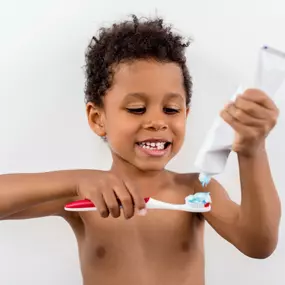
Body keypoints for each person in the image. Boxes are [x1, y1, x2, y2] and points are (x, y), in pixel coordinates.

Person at [0, 14, 281, 285]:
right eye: (137, 109)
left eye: (171, 109)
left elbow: (259, 243)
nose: (158, 122)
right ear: (98, 119)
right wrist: (76, 181)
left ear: (186, 113)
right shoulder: (83, 198)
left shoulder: (197, 191)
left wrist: (252, 150)